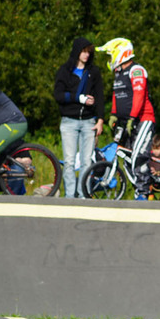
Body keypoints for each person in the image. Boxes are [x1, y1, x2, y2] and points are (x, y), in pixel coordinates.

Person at [97, 37, 156, 200]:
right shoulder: (118, 73)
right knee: (127, 158)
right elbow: (117, 94)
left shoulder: (136, 70)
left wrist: (132, 118)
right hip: (126, 121)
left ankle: (144, 193)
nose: (110, 60)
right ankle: (140, 189)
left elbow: (139, 96)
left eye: (111, 55)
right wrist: (113, 114)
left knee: (138, 156)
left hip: (143, 119)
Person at [53, 37, 105, 198]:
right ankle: (70, 196)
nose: (86, 55)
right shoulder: (64, 71)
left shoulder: (94, 72)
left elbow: (100, 96)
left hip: (89, 122)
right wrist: (79, 98)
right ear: (76, 52)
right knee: (69, 161)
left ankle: (83, 195)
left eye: (89, 52)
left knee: (86, 161)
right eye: (83, 51)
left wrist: (100, 120)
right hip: (69, 122)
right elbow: (58, 95)